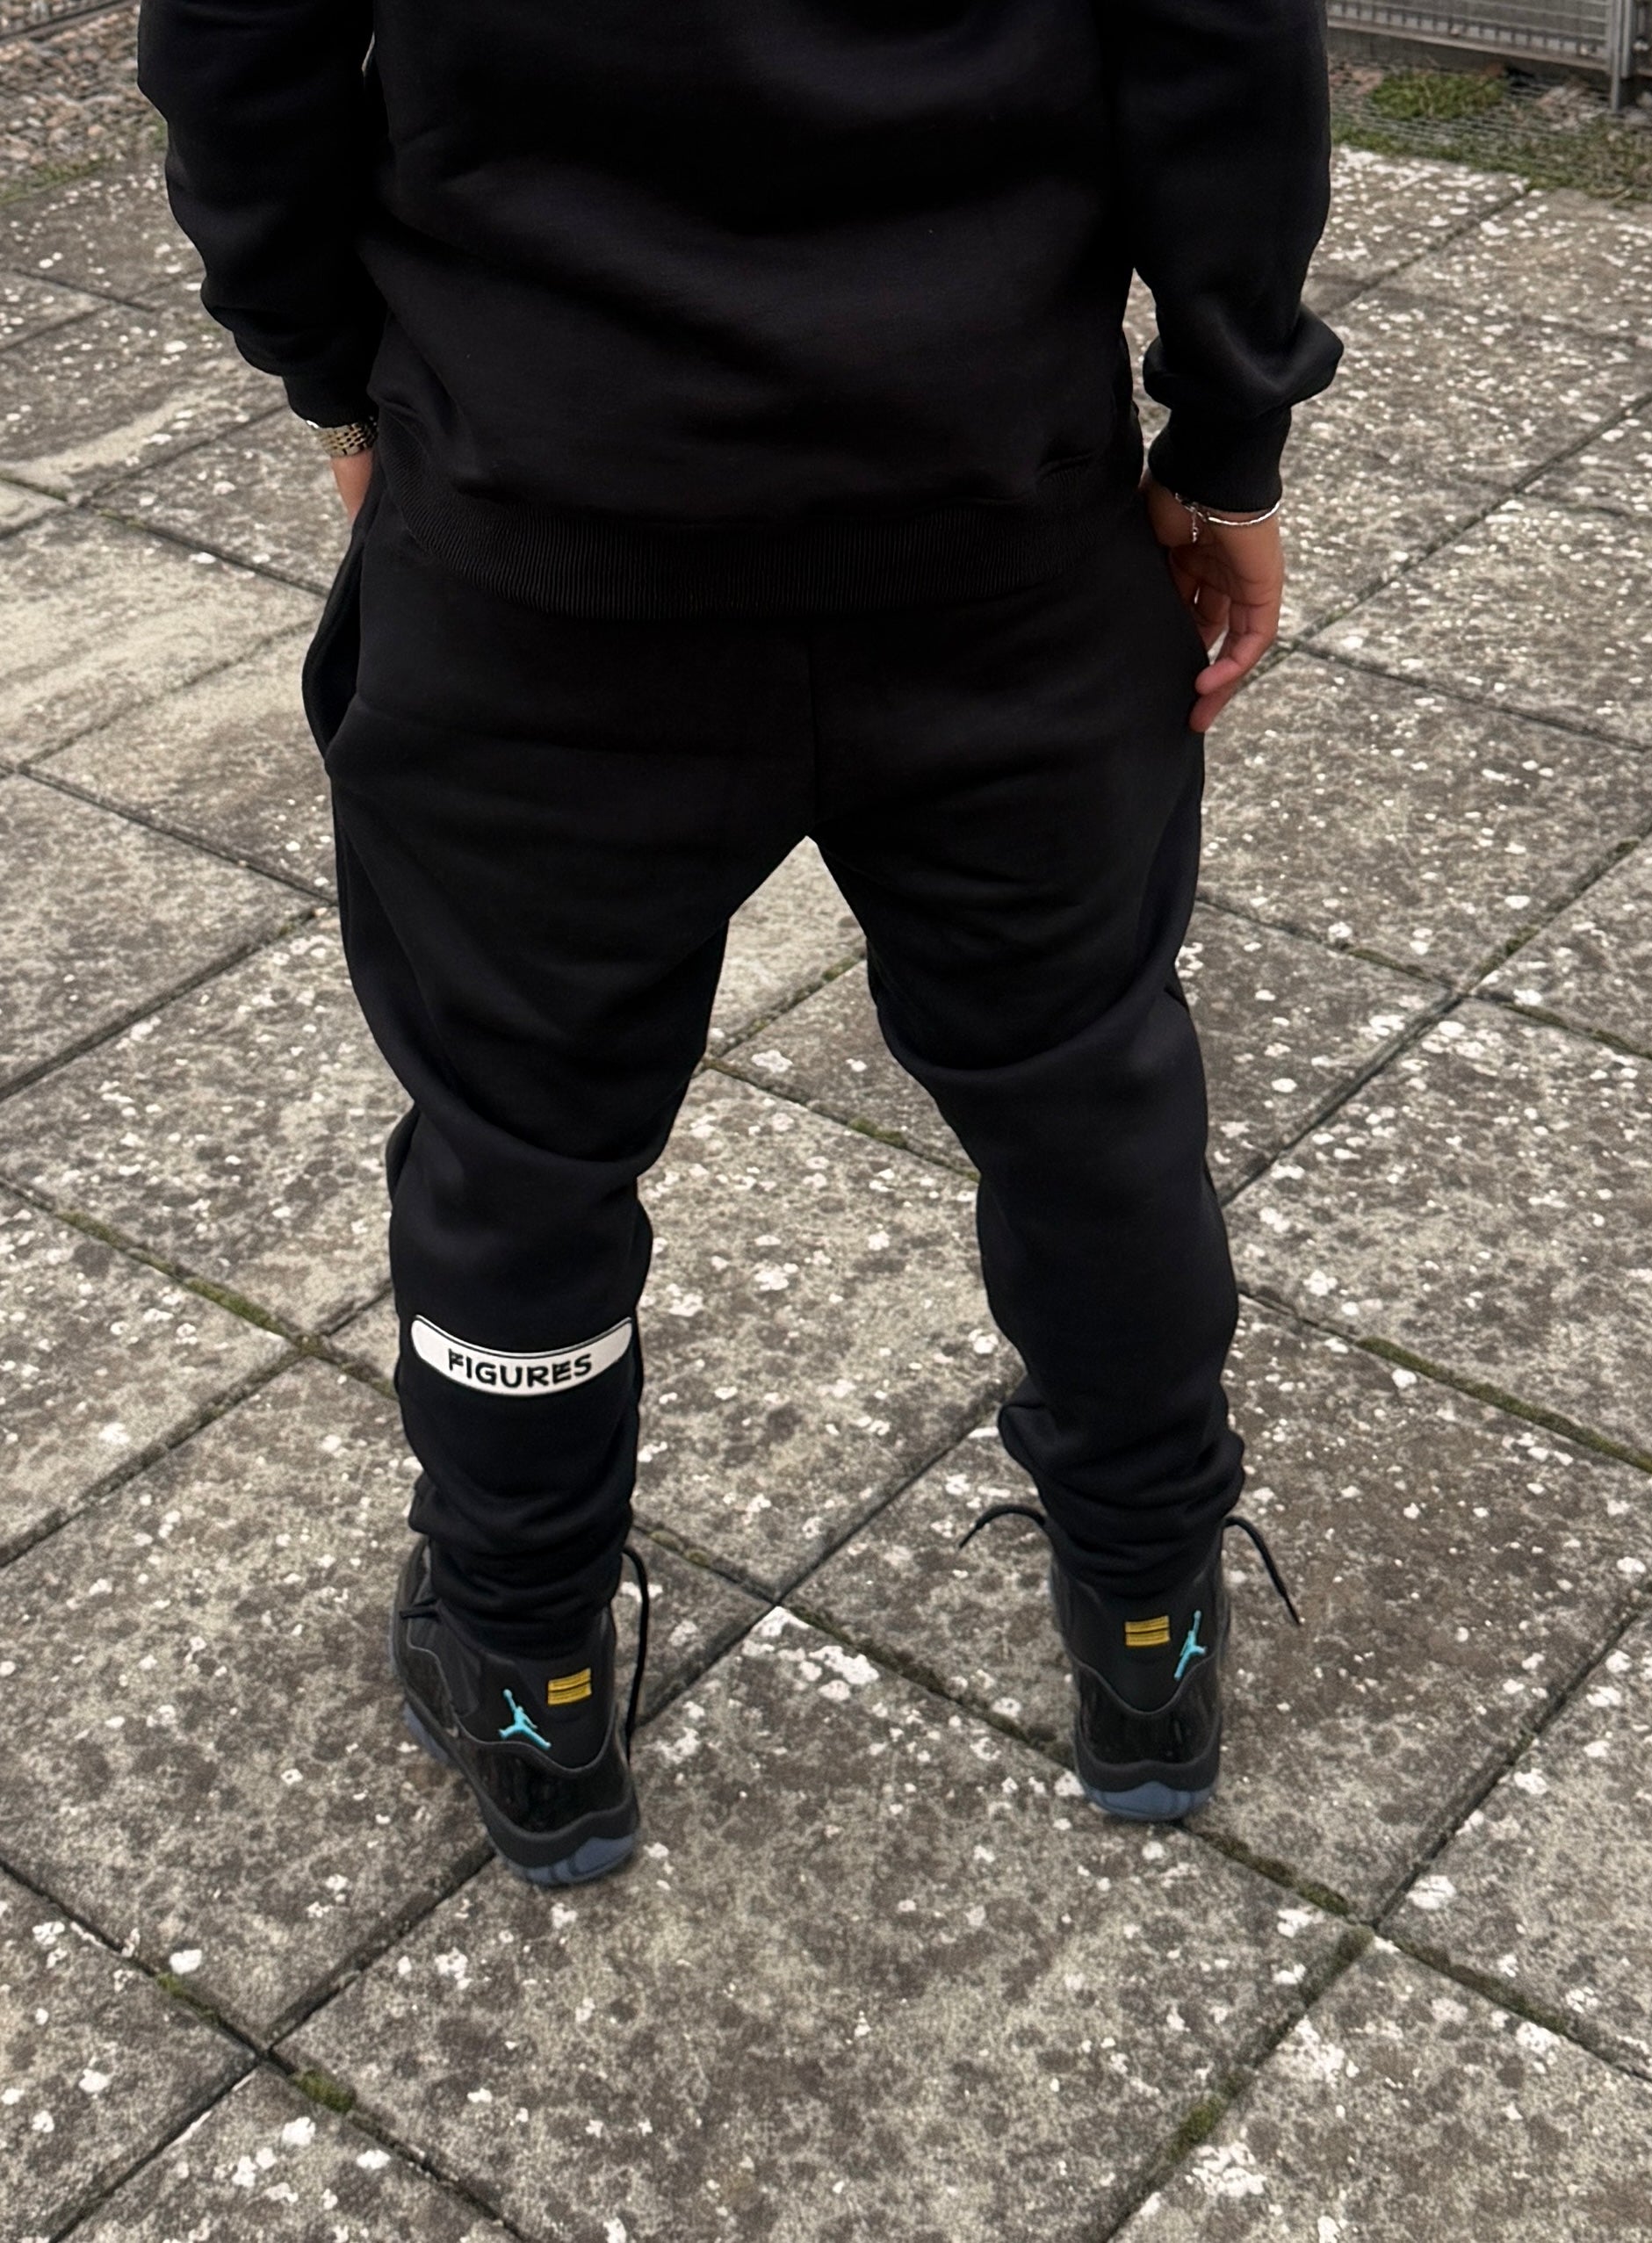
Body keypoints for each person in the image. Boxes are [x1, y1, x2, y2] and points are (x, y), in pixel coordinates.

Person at [137, 0, 1340, 1887]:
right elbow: (1221, 40)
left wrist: (333, 381)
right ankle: (1145, 1624)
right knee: (1079, 1093)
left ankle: (532, 1675)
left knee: (520, 1145)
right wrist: (1229, 429)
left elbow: (238, 46)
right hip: (991, 516)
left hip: (546, 530)